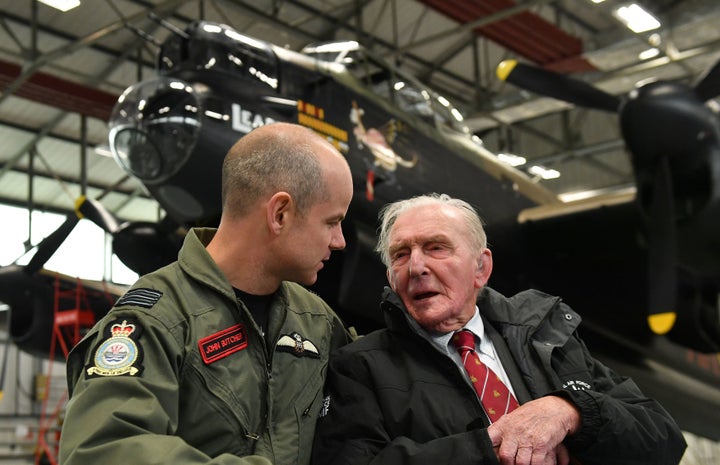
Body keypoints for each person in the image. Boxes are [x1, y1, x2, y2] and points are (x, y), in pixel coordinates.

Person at [312, 193, 687, 465]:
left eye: (436, 248)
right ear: (392, 278)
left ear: (481, 268)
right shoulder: (359, 366)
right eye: (400, 255)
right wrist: (489, 447)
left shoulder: (548, 338)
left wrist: (571, 412)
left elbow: (663, 440)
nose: (417, 267)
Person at [59, 122, 355, 465]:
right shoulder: (155, 321)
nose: (340, 241)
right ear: (280, 214)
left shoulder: (315, 321)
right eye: (332, 222)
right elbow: (100, 451)